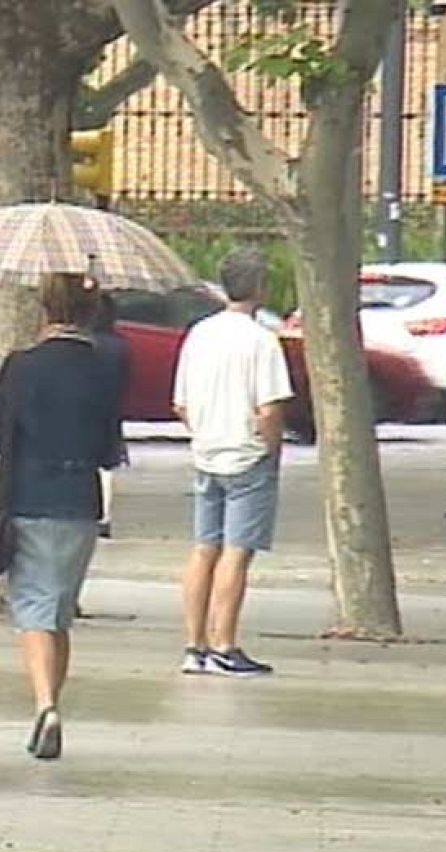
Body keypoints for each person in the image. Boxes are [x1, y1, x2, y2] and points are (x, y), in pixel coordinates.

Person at [0, 273, 122, 761]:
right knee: (58, 609)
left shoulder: (21, 366)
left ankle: (44, 706)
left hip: (28, 495)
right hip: (80, 500)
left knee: (34, 606)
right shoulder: (105, 368)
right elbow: (108, 449)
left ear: (44, 309)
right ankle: (52, 701)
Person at [173, 246, 293, 678]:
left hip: (207, 452)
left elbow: (181, 403)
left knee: (204, 547)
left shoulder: (199, 334)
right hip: (247, 455)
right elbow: (269, 409)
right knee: (236, 554)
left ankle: (194, 645)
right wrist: (272, 448)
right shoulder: (261, 341)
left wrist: (205, 430)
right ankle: (225, 643)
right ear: (260, 287)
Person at [92, 293, 132, 539]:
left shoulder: (85, 344)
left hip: (86, 408)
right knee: (106, 467)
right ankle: (104, 516)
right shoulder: (120, 346)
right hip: (110, 409)